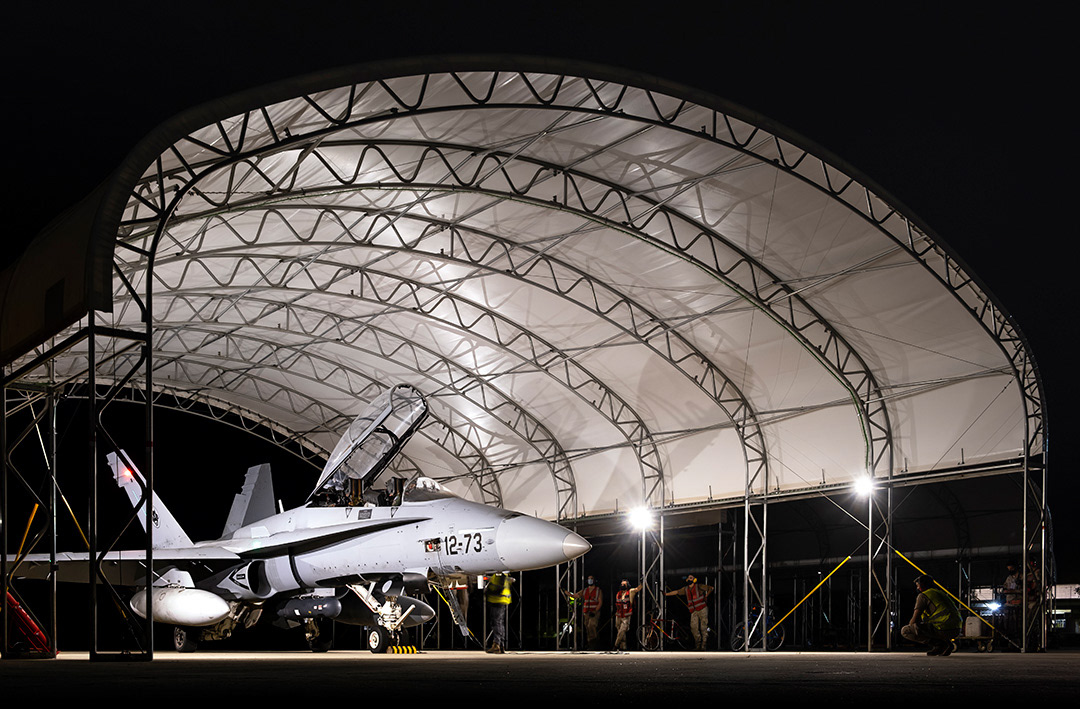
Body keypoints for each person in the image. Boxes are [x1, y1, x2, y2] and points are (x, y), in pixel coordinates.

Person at [900, 574, 962, 656]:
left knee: (905, 631)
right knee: (933, 626)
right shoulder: (940, 593)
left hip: (943, 629)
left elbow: (915, 619)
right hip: (957, 629)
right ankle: (945, 645)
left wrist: (912, 628)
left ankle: (940, 645)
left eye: (918, 586)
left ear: (922, 584)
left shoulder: (923, 596)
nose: (917, 588)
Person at [665, 575, 714, 650]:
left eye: (691, 578)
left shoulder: (699, 586)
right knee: (694, 628)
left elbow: (711, 588)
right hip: (693, 611)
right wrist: (666, 594)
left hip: (702, 609)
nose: (689, 579)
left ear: (694, 580)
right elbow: (677, 592)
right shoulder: (686, 589)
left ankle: (704, 645)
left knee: (703, 627)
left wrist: (706, 596)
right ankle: (698, 645)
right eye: (688, 578)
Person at [566, 575, 603, 649]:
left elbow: (600, 602)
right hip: (586, 612)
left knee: (591, 625)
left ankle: (593, 643)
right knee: (587, 627)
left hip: (594, 612)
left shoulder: (598, 590)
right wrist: (569, 594)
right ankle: (590, 643)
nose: (590, 580)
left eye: (591, 579)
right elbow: (576, 595)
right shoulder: (585, 590)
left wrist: (595, 611)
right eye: (589, 579)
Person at [485, 573, 513, 653]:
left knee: (496, 623)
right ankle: (501, 644)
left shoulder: (500, 575)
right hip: (500, 600)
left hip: (497, 600)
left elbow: (498, 588)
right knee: (499, 623)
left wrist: (488, 591)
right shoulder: (503, 575)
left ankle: (497, 644)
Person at [613, 579, 643, 650]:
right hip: (618, 615)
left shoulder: (630, 592)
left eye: (624, 584)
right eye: (621, 584)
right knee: (619, 630)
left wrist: (642, 582)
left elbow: (638, 589)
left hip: (626, 616)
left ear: (627, 586)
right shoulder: (618, 594)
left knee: (622, 630)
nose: (622, 585)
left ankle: (616, 645)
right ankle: (623, 646)